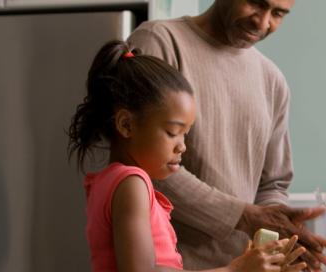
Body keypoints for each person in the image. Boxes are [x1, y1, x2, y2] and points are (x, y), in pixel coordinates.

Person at [127, 0, 326, 270]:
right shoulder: (160, 42)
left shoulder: (272, 81)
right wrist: (245, 216)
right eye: (256, 4)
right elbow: (141, 163)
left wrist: (278, 232)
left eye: (278, 14)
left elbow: (273, 184)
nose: (262, 23)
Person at [67, 40, 307, 272]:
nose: (182, 146)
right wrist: (233, 270)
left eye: (185, 134)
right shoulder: (132, 183)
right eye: (173, 132)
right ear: (126, 125)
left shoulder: (110, 181)